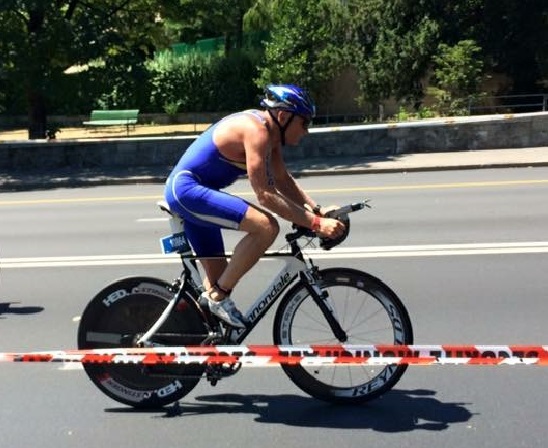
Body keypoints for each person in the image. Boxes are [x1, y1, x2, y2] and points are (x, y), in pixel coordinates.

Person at [164, 84, 345, 328]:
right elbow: (265, 195)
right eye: (304, 123)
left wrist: (316, 210)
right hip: (186, 191)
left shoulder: (271, 134)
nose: (306, 131)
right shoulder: (257, 132)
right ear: (283, 116)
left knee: (217, 282)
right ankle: (217, 298)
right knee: (266, 227)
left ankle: (202, 345)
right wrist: (316, 224)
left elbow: (282, 180)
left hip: (198, 193)